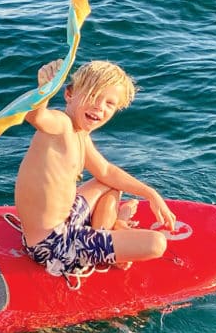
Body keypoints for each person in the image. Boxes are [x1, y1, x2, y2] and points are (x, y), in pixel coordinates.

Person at [14, 58, 177, 282]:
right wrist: (44, 89)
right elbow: (37, 117)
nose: (99, 107)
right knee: (157, 243)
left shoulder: (80, 134)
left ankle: (108, 232)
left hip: (66, 223)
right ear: (69, 94)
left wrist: (151, 194)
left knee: (109, 182)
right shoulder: (61, 125)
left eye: (109, 103)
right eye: (93, 96)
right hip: (53, 246)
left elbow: (106, 171)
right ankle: (111, 239)